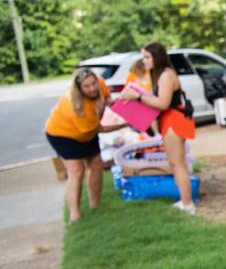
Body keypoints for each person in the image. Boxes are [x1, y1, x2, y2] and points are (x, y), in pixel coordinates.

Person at [119, 42, 197, 214]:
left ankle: (188, 203)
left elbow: (163, 103)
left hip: (174, 121)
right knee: (174, 163)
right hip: (170, 120)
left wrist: (137, 96)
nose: (144, 61)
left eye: (147, 57)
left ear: (157, 57)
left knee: (178, 164)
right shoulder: (162, 74)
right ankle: (184, 201)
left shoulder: (165, 76)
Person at [44, 68, 126, 222]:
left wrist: (126, 110)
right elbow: (99, 129)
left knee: (96, 164)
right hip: (62, 134)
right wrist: (125, 124)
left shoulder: (99, 84)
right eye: (87, 87)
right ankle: (75, 216)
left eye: (93, 83)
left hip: (87, 133)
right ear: (79, 89)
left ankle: (95, 206)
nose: (93, 88)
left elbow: (107, 100)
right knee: (77, 171)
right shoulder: (76, 106)